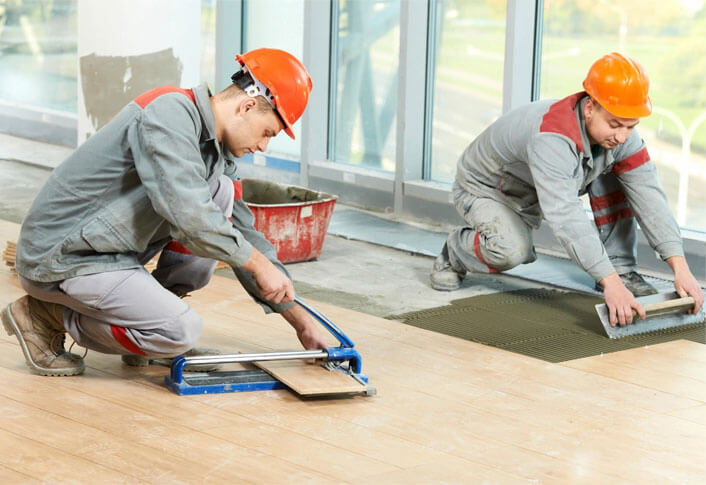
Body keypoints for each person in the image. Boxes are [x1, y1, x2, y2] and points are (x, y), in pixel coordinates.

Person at [1, 48, 328, 377]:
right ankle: (43, 315)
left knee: (221, 193)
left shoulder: (218, 154)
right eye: (267, 133)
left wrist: (300, 320)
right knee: (179, 332)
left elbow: (244, 233)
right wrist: (256, 263)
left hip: (106, 252)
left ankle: (150, 321)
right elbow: (190, 216)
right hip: (63, 258)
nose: (263, 147)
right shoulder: (167, 113)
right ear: (246, 106)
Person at [430, 52, 704, 328]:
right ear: (589, 108)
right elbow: (567, 218)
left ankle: (621, 269)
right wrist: (611, 286)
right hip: (487, 189)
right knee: (512, 250)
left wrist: (680, 269)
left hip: (534, 185)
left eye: (631, 126)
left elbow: (649, 197)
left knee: (619, 174)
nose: (622, 136)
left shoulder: (621, 137)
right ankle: (454, 252)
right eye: (615, 124)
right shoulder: (552, 138)